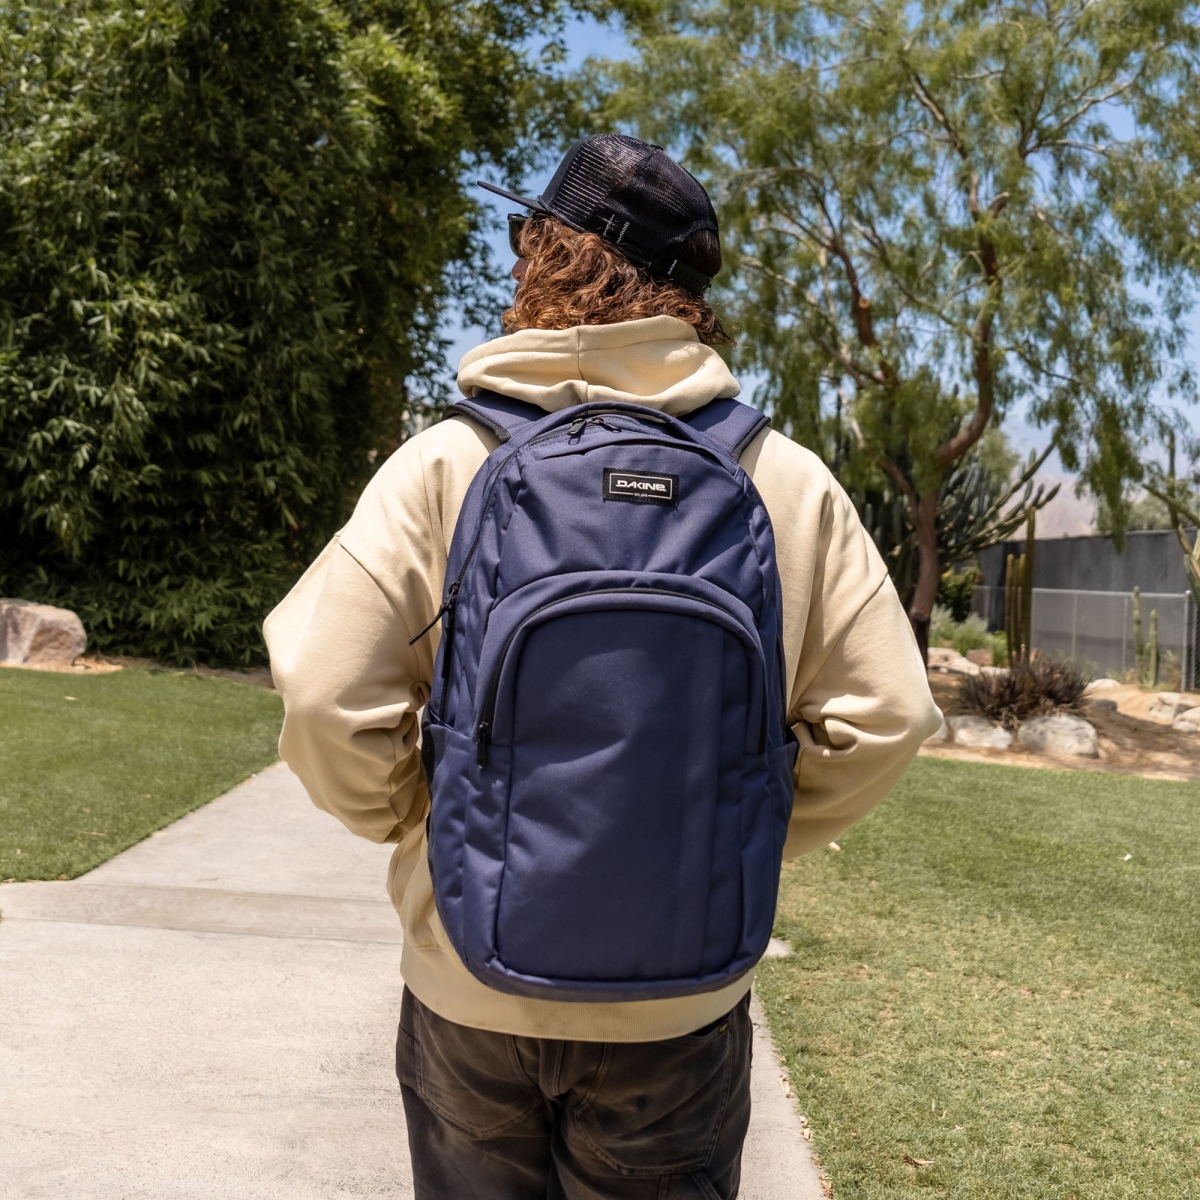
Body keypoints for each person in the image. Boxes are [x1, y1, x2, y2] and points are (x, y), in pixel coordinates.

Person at [265, 133, 941, 1200]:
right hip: (680, 1003)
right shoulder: (783, 479)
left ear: (543, 256)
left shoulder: (447, 462)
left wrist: (423, 821)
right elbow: (890, 714)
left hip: (468, 984)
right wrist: (730, 830)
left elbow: (323, 695)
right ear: (689, 298)